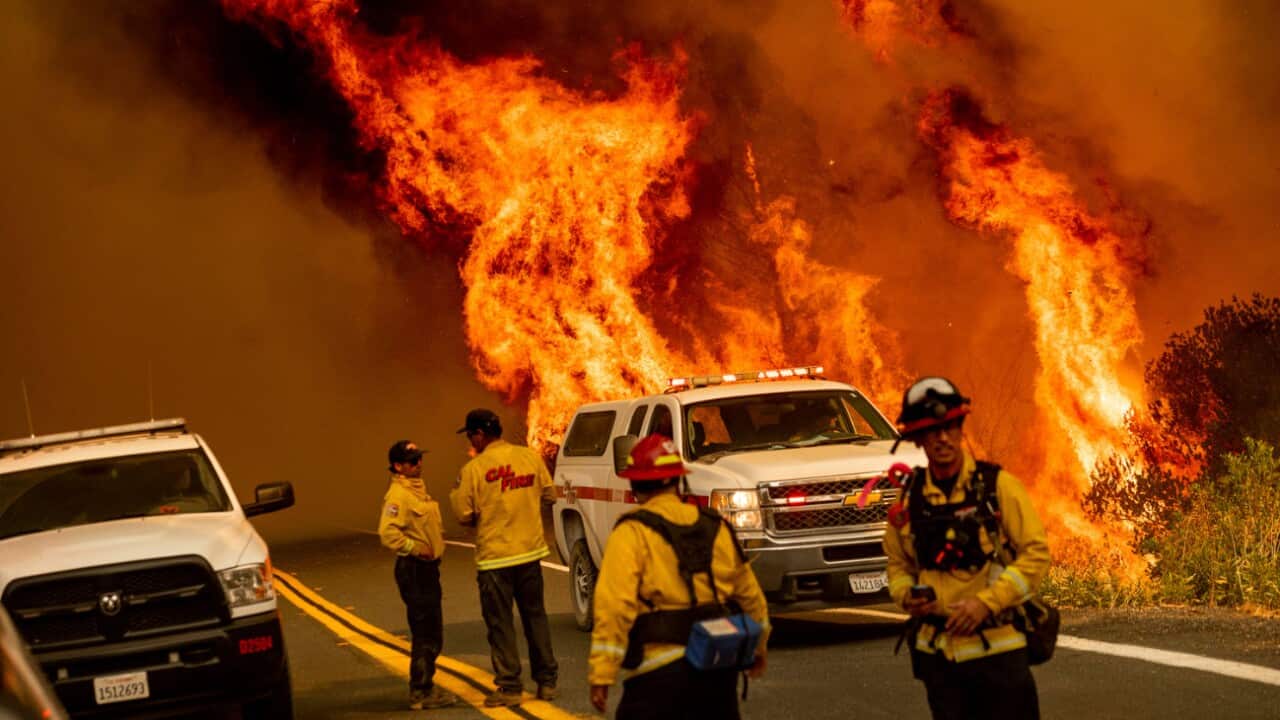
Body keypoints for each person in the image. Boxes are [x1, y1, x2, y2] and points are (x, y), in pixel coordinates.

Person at [883, 377, 1051, 719]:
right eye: (932, 430)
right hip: (941, 662)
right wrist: (907, 596)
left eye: (949, 427)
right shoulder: (908, 500)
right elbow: (898, 565)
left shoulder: (996, 487)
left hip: (1001, 655)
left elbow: (1036, 553)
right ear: (918, 438)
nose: (942, 437)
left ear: (961, 429)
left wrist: (985, 604)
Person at [588, 434, 769, 719]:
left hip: (657, 678)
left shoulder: (631, 533)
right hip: (716, 671)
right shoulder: (716, 527)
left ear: (635, 484)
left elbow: (613, 606)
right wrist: (757, 647)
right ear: (678, 482)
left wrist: (602, 674)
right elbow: (751, 597)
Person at [449, 409, 559, 707]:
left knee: (500, 623)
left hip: (496, 560)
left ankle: (510, 688)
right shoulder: (530, 457)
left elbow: (462, 514)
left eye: (471, 436)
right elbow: (550, 495)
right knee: (535, 617)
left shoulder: (473, 469)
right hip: (530, 554)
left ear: (480, 435)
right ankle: (547, 683)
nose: (471, 441)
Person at [378, 440, 458, 711]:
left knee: (432, 629)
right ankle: (421, 691)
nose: (419, 464)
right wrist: (415, 548)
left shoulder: (416, 492)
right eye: (412, 461)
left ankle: (425, 686)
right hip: (414, 570)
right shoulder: (398, 496)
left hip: (426, 570)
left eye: (419, 459)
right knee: (426, 631)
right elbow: (388, 533)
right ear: (398, 467)